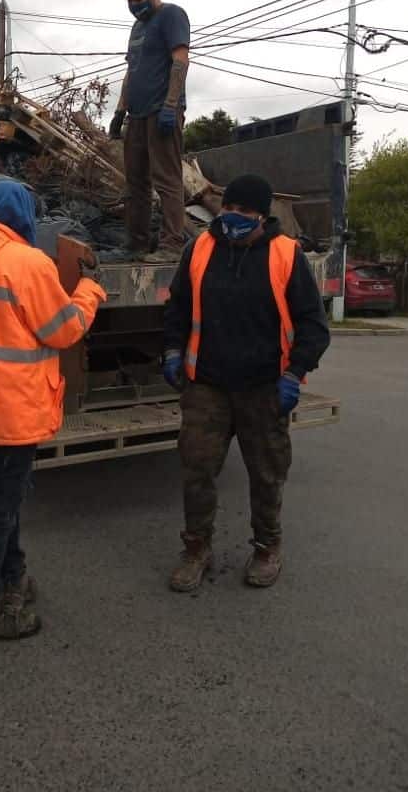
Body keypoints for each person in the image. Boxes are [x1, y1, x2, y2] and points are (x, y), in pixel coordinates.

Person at [0, 180, 106, 639]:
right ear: (25, 216)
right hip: (14, 407)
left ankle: (13, 576)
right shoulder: (28, 264)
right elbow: (64, 330)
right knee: (0, 506)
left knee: (3, 497)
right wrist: (90, 290)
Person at [161, 175, 330, 591]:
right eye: (229, 209)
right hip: (207, 386)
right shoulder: (199, 248)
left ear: (262, 216)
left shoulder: (286, 255)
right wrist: (172, 350)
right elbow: (177, 307)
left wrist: (294, 374)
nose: (234, 218)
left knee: (267, 473)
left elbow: (313, 325)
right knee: (196, 469)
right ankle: (196, 549)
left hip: (264, 388)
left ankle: (267, 548)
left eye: (244, 212)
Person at [109, 0, 191, 262]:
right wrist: (120, 110)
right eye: (130, 1)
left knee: (167, 179)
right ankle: (137, 244)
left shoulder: (171, 15)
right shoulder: (138, 28)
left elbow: (181, 60)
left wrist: (171, 105)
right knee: (135, 182)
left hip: (162, 111)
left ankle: (172, 245)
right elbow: (131, 71)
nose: (135, 6)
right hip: (138, 114)